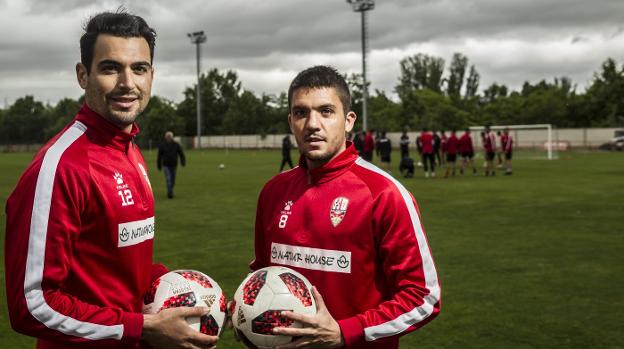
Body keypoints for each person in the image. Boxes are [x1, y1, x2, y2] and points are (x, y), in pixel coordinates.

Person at [4, 10, 218, 349]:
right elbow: (31, 305)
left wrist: (168, 282)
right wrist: (140, 327)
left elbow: (118, 266)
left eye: (139, 68)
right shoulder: (61, 167)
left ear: (151, 75)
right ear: (82, 74)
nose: (127, 83)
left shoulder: (128, 149)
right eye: (110, 68)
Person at [248, 66, 440, 349]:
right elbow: (263, 272)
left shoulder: (385, 194)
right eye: (301, 113)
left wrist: (344, 332)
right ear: (291, 121)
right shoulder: (273, 191)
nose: (313, 124)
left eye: (326, 111)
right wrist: (247, 311)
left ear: (348, 120)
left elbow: (423, 296)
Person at [157, 131, 186, 198]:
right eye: (167, 136)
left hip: (174, 165)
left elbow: (181, 154)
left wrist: (183, 162)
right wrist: (159, 165)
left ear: (172, 137)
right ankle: (170, 194)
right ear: (165, 137)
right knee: (169, 179)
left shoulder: (176, 145)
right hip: (166, 165)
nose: (168, 138)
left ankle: (171, 190)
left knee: (173, 180)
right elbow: (159, 156)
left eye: (170, 136)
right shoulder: (162, 145)